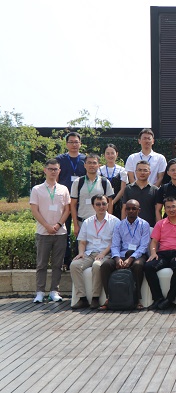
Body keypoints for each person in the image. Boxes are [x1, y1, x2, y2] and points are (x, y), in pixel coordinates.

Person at [30, 159, 70, 303]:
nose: (53, 171)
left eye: (56, 169)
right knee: (41, 264)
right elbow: (34, 210)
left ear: (59, 171)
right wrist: (47, 226)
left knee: (57, 264)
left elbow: (67, 209)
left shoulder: (63, 189)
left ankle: (54, 291)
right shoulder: (37, 189)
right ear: (45, 170)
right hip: (43, 232)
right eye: (51, 169)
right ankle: (40, 292)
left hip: (60, 232)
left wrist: (58, 225)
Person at [98, 199, 150, 310]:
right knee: (105, 265)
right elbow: (115, 245)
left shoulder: (144, 225)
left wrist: (130, 259)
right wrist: (117, 258)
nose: (131, 211)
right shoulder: (119, 225)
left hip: (138, 255)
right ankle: (109, 298)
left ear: (139, 210)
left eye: (134, 209)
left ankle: (137, 299)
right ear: (125, 210)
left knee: (137, 265)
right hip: (121, 254)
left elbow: (143, 247)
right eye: (128, 209)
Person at [70, 195, 120, 309]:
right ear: (93, 206)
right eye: (98, 204)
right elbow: (82, 242)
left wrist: (103, 253)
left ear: (108, 205)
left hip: (106, 254)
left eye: (104, 204)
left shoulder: (115, 221)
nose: (101, 206)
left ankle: (95, 298)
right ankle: (82, 298)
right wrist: (81, 253)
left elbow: (114, 242)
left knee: (97, 266)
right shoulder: (87, 222)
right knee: (74, 265)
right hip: (89, 253)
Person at [144, 197, 176, 310]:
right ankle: (158, 298)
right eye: (168, 207)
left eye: (173, 206)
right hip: (162, 253)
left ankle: (170, 299)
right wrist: (153, 252)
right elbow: (154, 241)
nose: (171, 210)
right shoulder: (160, 223)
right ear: (164, 210)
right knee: (148, 266)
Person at [56, 132, 86, 269]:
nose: (74, 144)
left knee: (82, 231)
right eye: (71, 142)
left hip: (82, 202)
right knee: (65, 231)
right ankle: (65, 260)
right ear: (67, 144)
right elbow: (56, 179)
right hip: (64, 201)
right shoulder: (60, 159)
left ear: (80, 143)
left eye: (76, 142)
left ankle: (80, 259)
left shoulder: (85, 159)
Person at [70, 153, 114, 240]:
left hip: (100, 223)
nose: (92, 165)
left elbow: (110, 202)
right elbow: (73, 204)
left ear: (99, 165)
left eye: (94, 163)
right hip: (82, 222)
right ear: (85, 165)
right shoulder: (78, 182)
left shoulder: (104, 182)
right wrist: (75, 224)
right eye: (89, 163)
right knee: (82, 247)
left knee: (101, 247)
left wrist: (108, 222)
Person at [121, 161, 159, 226]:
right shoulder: (128, 188)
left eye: (145, 170)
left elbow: (157, 210)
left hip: (150, 226)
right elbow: (124, 208)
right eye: (140, 170)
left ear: (149, 173)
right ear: (135, 172)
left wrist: (158, 227)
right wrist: (123, 225)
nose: (142, 173)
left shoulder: (155, 190)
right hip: (131, 226)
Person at [101, 143, 128, 219]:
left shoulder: (122, 170)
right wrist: (106, 202)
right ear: (104, 155)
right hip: (102, 203)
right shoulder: (99, 170)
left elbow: (123, 189)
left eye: (112, 153)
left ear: (117, 154)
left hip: (118, 203)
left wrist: (112, 202)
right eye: (108, 153)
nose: (110, 156)